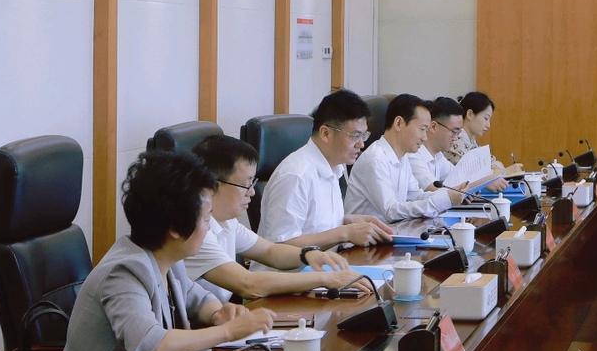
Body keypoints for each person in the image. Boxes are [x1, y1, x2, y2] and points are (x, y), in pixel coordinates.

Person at [44, 151, 275, 351]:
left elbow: (196, 298)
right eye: (206, 218)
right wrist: (228, 331)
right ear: (175, 228)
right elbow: (151, 344)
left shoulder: (166, 257)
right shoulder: (123, 270)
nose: (209, 227)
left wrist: (218, 313)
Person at [185, 135, 369, 303]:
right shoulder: (196, 231)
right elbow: (248, 284)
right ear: (212, 185)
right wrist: (326, 278)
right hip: (201, 324)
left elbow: (270, 251)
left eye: (253, 183)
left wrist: (309, 255)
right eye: (245, 184)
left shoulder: (227, 222)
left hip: (221, 313)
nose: (252, 192)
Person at [258, 89, 394, 247]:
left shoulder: (334, 167)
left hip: (328, 260)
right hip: (298, 264)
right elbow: (281, 246)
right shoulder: (295, 175)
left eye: (364, 135)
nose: (361, 144)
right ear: (325, 133)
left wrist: (347, 222)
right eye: (355, 136)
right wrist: (345, 233)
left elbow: (314, 226)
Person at [346, 93, 467, 222]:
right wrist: (443, 200)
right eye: (422, 129)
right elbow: (391, 211)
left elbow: (415, 196)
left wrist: (448, 195)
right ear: (399, 123)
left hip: (393, 230)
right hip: (367, 234)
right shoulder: (375, 159)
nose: (425, 137)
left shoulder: (402, 157)